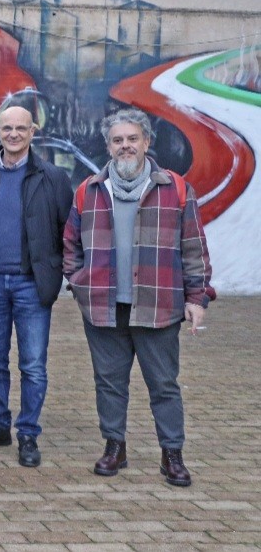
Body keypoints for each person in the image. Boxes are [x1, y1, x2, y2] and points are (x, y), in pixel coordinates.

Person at [63, 108, 214, 486]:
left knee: (164, 384)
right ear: (108, 146)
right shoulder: (88, 190)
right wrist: (79, 283)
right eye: (118, 140)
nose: (125, 146)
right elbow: (70, 244)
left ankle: (172, 453)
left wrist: (196, 298)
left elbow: (194, 248)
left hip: (158, 305)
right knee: (109, 382)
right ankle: (114, 446)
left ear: (147, 142)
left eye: (133, 138)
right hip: (103, 307)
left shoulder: (176, 188)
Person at [0, 106, 72, 467]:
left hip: (31, 285)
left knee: (33, 364)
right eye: (7, 128)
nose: (13, 134)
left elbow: (64, 229)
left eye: (20, 128)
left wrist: (55, 274)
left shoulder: (53, 177)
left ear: (33, 131)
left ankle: (28, 433)